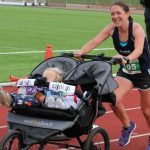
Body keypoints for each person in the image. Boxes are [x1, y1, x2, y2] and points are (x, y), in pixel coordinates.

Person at [74, 1, 150, 148]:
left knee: (147, 111)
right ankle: (128, 126)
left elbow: (139, 50)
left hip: (143, 72)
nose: (115, 16)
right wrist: (82, 51)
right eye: (112, 13)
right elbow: (95, 41)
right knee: (113, 98)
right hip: (127, 71)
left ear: (127, 14)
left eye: (118, 13)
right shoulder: (111, 29)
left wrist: (127, 58)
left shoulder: (136, 29)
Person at [0, 67, 81, 110]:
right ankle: (8, 98)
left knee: (30, 99)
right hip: (37, 99)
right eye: (43, 77)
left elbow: (64, 94)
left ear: (56, 81)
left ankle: (10, 99)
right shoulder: (39, 85)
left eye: (47, 78)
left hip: (46, 101)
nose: (43, 79)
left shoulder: (57, 87)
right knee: (25, 96)